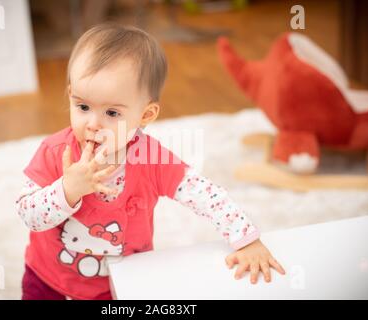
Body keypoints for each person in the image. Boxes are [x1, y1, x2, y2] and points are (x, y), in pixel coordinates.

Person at [16, 23, 285, 300]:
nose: (93, 124)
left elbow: (205, 194)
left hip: (120, 284)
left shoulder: (152, 159)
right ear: (71, 94)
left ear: (146, 115)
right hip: (48, 279)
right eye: (83, 106)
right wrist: (67, 190)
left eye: (111, 112)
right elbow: (28, 215)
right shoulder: (55, 151)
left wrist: (246, 239)